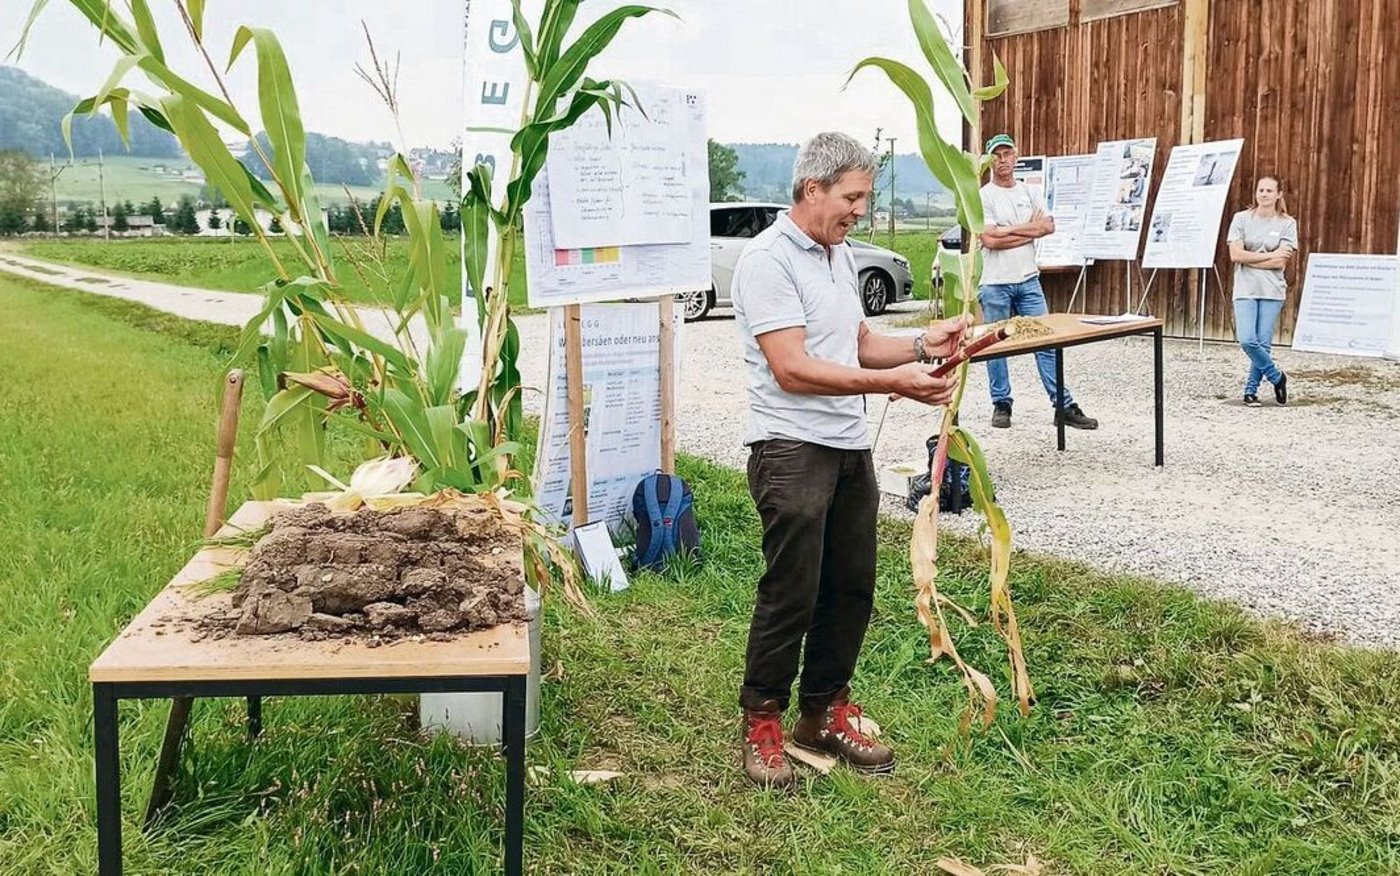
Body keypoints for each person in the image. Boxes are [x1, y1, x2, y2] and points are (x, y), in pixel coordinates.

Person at [731, 131, 967, 790]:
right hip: (790, 447)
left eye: (862, 198)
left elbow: (857, 342)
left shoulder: (835, 254)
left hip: (845, 448)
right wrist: (897, 386)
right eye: (852, 197)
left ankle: (823, 712)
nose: (860, 210)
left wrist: (922, 344)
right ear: (814, 189)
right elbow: (793, 368)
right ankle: (762, 720)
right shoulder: (769, 261)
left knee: (850, 588)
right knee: (793, 593)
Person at [978, 133, 1098, 430]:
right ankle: (1001, 403)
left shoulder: (1029, 192)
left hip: (1028, 278)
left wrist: (1010, 230)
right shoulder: (984, 196)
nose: (1002, 160)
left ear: (1016, 156)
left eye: (1006, 154)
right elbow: (989, 240)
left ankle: (1063, 404)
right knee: (996, 344)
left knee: (1046, 340)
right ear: (989, 160)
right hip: (995, 282)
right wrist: (1027, 230)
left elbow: (1049, 226)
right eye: (996, 155)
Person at [1227, 176, 1298, 406]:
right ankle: (1277, 377)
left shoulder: (1287, 223)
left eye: (1269, 190)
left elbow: (1280, 263)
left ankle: (1251, 391)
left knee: (1263, 342)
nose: (1264, 194)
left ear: (1279, 194)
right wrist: (1270, 254)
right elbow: (1235, 255)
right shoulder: (1241, 219)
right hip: (1245, 288)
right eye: (1260, 190)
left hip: (1272, 290)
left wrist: (1251, 258)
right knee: (1248, 340)